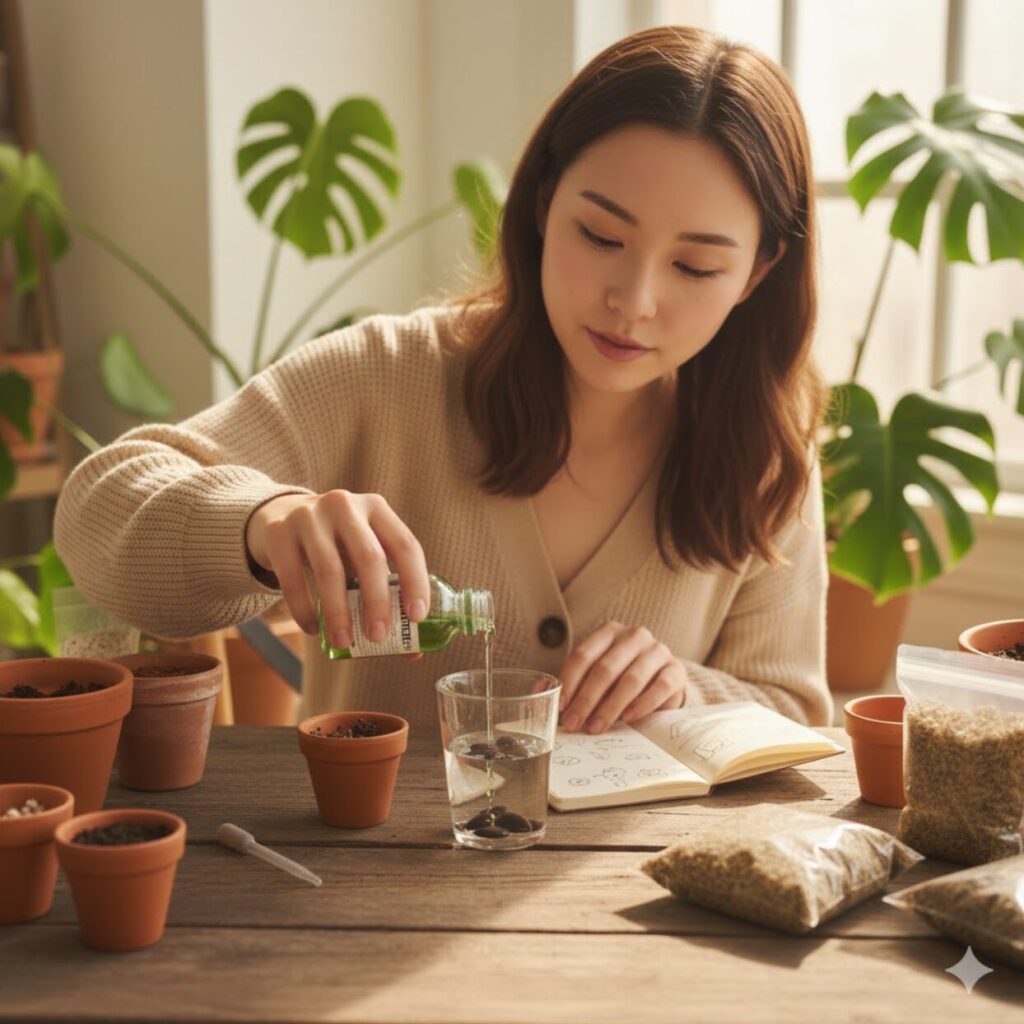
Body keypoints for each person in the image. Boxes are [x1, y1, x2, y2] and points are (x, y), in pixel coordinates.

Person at [55, 24, 832, 737]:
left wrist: (683, 693)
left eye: (696, 266)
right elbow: (96, 517)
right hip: (359, 880)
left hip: (629, 887)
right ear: (539, 202)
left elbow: (795, 712)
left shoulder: (763, 452)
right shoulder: (386, 379)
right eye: (599, 235)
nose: (633, 301)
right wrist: (265, 524)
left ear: (757, 273)